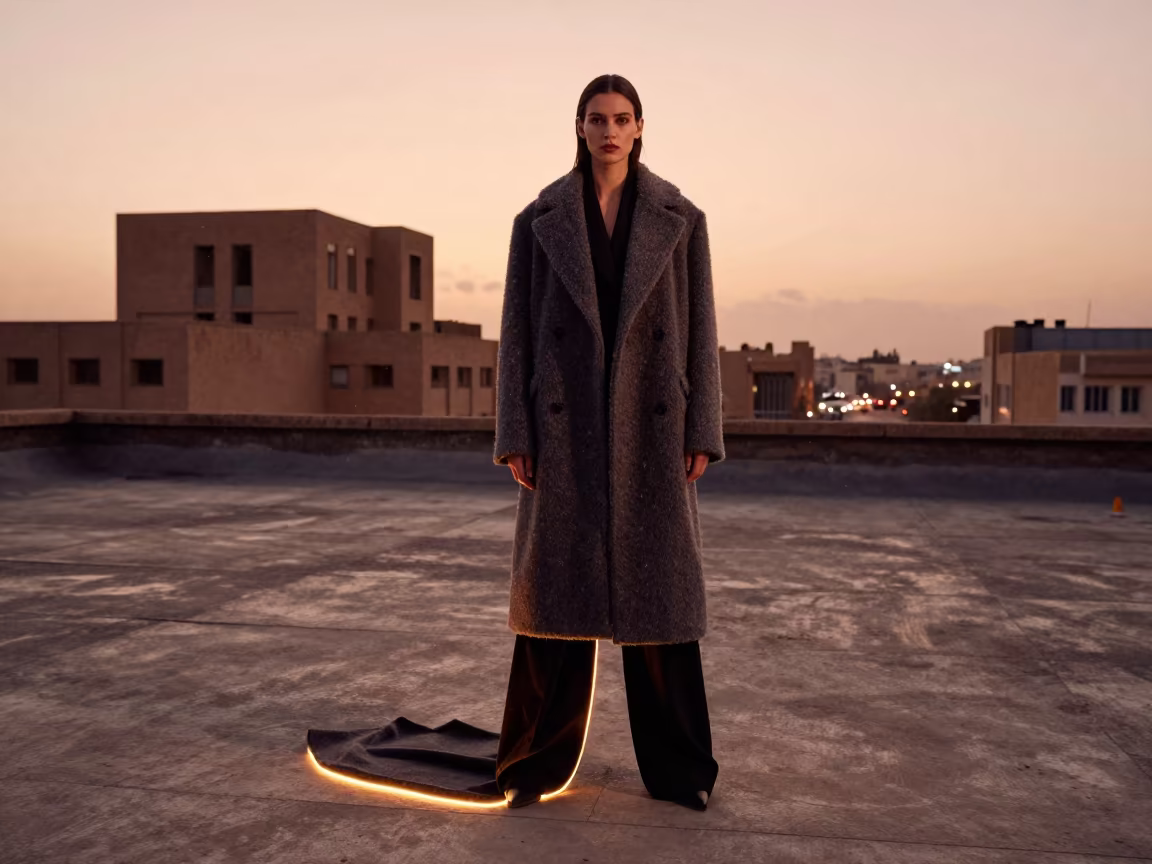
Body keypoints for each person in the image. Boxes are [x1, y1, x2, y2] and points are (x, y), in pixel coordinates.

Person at [492, 73, 726, 811]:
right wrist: (515, 433)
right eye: (597, 119)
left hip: (652, 428)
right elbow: (516, 336)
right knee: (554, 600)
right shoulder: (539, 219)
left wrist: (702, 430)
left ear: (641, 126)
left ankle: (683, 771)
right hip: (563, 427)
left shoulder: (681, 218)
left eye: (622, 119)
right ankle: (533, 762)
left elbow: (702, 334)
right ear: (580, 127)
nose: (610, 131)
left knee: (662, 607)